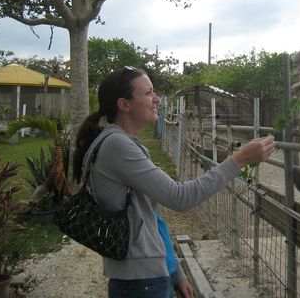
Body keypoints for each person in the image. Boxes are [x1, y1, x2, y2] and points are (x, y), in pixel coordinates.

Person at [72, 66, 275, 298]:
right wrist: (239, 159)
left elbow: (150, 217)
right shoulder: (117, 146)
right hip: (141, 284)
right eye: (148, 93)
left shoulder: (123, 143)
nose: (156, 99)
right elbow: (180, 198)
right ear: (124, 105)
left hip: (148, 277)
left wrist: (174, 270)